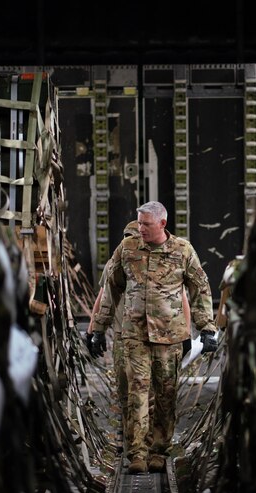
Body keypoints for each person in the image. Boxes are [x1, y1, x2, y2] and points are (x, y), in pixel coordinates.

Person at [86, 201, 217, 474]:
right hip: (134, 335)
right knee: (136, 393)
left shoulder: (182, 251)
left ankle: (159, 450)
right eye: (139, 223)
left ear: (162, 224)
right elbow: (111, 289)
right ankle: (137, 454)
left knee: (166, 394)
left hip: (169, 336)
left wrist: (207, 327)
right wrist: (98, 328)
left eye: (146, 224)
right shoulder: (128, 249)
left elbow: (199, 288)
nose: (140, 229)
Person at [87, 221, 140, 443]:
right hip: (122, 334)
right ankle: (127, 434)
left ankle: (142, 438)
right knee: (124, 386)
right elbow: (103, 296)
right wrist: (94, 330)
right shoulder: (114, 263)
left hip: (152, 336)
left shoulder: (158, 260)